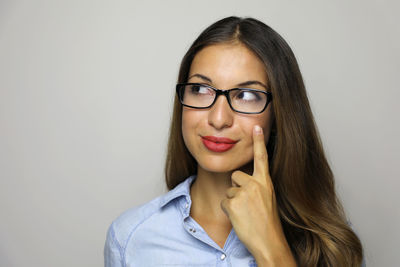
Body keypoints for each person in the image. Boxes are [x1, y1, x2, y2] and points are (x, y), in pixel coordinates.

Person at [104, 16, 364, 267]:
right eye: (200, 89)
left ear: (279, 114)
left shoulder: (330, 245)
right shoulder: (131, 238)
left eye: (247, 95)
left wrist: (272, 250)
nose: (218, 119)